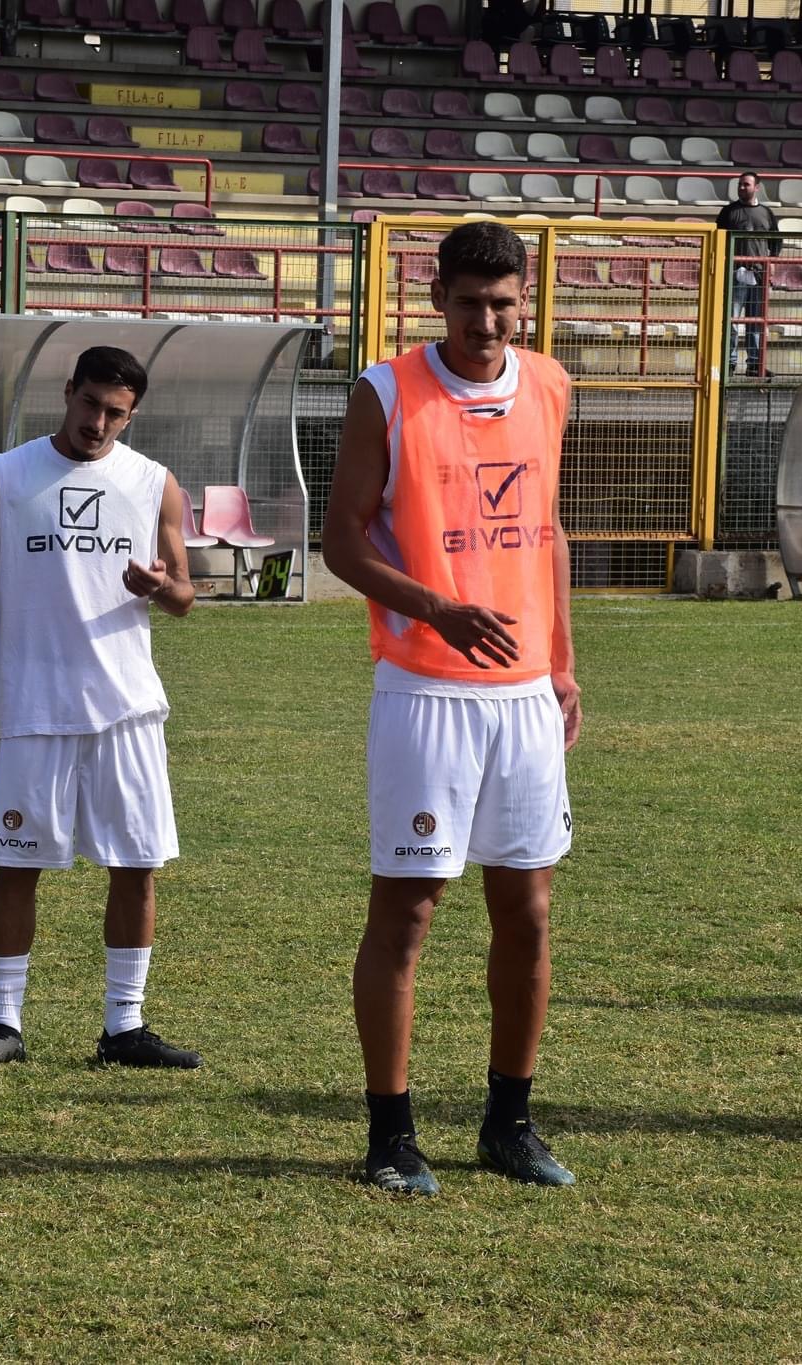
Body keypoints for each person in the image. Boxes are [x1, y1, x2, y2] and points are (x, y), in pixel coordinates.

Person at [322, 221, 583, 1195]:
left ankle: (506, 1123)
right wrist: (435, 606)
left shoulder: (550, 386)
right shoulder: (384, 392)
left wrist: (559, 663)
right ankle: (389, 1135)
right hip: (423, 691)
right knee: (410, 910)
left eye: (503, 302)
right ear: (436, 298)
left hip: (520, 696)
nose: (486, 320)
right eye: (468, 302)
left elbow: (549, 531)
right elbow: (341, 543)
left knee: (527, 911)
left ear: (525, 301)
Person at [0, 346, 203, 1072]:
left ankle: (125, 1026)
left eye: (117, 412)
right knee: (16, 864)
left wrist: (160, 585)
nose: (99, 422)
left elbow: (185, 594)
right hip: (36, 707)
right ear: (68, 392)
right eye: (90, 404)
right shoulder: (9, 472)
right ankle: (4, 1023)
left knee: (137, 865)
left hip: (127, 708)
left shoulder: (152, 482)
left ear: (133, 413)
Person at [716, 172, 779, 379]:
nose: (742, 188)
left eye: (746, 184)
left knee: (756, 322)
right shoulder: (728, 212)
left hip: (759, 274)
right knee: (731, 321)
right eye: (740, 185)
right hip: (736, 273)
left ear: (757, 187)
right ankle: (729, 363)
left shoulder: (767, 213)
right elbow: (719, 240)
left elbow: (775, 242)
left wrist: (772, 264)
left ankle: (754, 364)